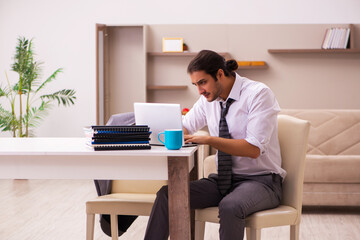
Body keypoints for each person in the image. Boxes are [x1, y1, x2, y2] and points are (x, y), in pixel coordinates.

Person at [144, 50, 286, 240]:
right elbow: (184, 126)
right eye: (196, 85)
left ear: (220, 74)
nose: (200, 91)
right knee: (168, 194)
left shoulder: (258, 94)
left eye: (202, 82)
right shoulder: (207, 99)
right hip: (223, 180)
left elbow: (253, 150)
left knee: (230, 206)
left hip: (262, 181)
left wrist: (209, 140)